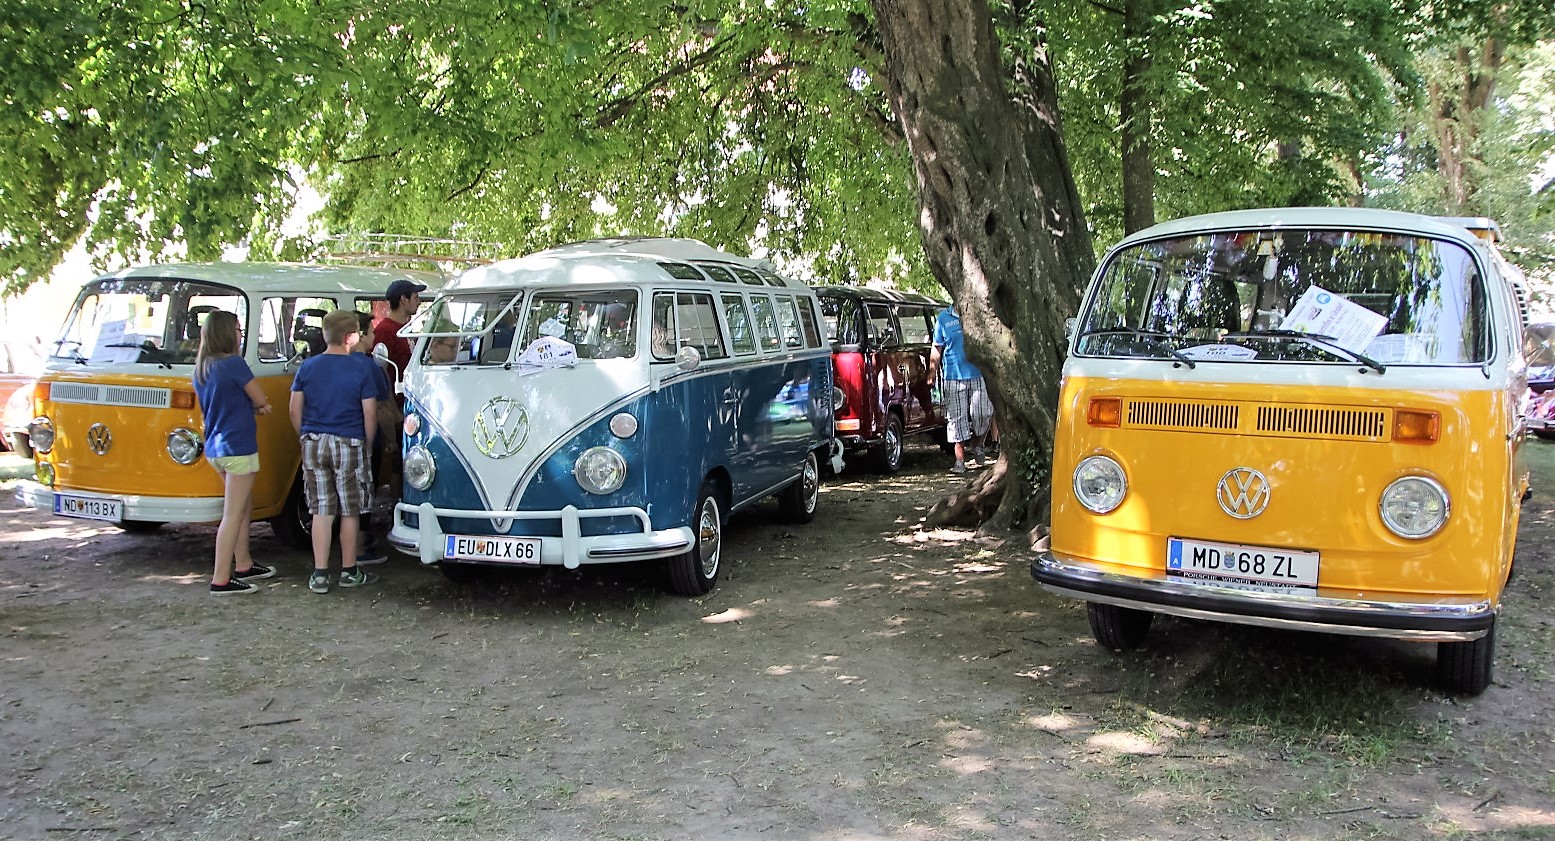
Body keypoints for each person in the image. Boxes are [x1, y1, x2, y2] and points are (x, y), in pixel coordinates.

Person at [290, 309, 379, 594]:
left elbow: (294, 408)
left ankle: (319, 572)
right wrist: (367, 442)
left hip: (314, 440)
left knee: (321, 509)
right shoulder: (361, 368)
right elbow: (369, 413)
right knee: (351, 509)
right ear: (351, 337)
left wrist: (304, 436)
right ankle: (349, 570)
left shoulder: (308, 367)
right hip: (349, 440)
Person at [191, 310, 276, 595]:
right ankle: (221, 578)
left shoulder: (202, 368)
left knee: (242, 506)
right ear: (229, 333)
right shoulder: (234, 364)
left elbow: (223, 402)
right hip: (238, 445)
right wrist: (258, 406)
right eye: (238, 329)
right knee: (232, 514)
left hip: (216, 446)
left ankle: (244, 563)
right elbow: (260, 397)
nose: (241, 334)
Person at [351, 310, 396, 565]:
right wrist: (390, 439)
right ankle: (360, 547)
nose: (373, 338)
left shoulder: (327, 362)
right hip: (367, 439)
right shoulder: (371, 367)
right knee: (364, 495)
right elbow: (381, 408)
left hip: (333, 439)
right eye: (371, 332)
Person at [929, 304, 993, 474]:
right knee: (957, 421)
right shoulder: (943, 318)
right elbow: (937, 348)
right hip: (953, 377)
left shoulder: (976, 312)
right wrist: (932, 372)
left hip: (978, 374)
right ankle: (960, 461)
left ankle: (978, 444)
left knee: (984, 413)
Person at [371, 277, 427, 400]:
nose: (419, 302)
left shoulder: (406, 328)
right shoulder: (384, 331)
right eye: (416, 297)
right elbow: (380, 371)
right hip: (397, 400)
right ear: (403, 300)